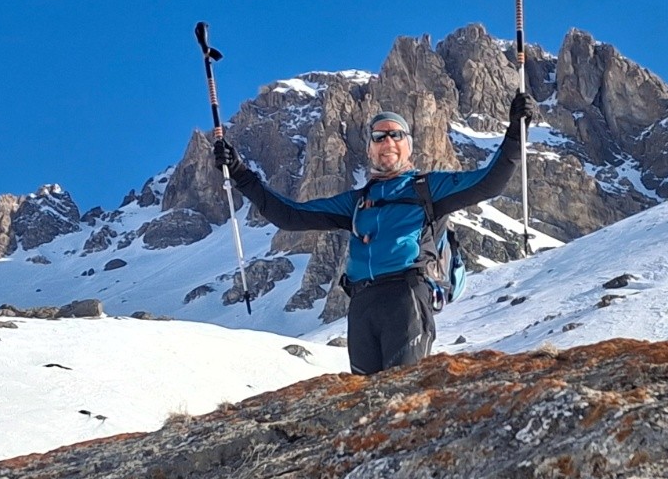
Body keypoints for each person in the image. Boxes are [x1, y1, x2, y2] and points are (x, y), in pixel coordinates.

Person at [213, 93, 536, 375]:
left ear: (408, 144)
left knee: (402, 391)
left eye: (396, 135)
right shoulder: (355, 203)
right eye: (379, 137)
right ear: (369, 148)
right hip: (362, 302)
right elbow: (290, 216)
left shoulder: (429, 188)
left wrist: (514, 132)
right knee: (366, 397)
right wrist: (241, 174)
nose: (388, 142)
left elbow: (490, 182)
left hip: (406, 294)